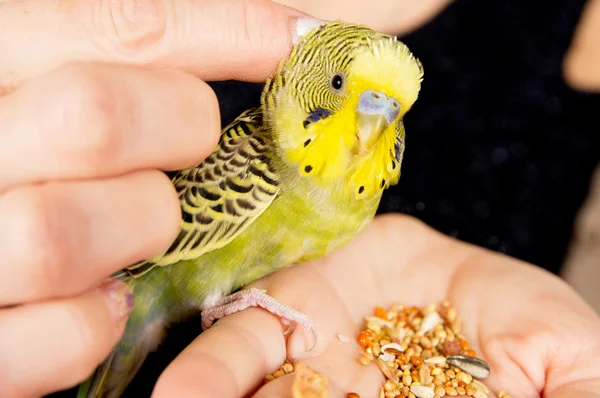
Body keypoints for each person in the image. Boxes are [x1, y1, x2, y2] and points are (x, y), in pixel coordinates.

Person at [0, 0, 598, 397]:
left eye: (390, 113)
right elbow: (152, 258)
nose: (372, 123)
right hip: (127, 298)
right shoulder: (255, 161)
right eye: (342, 88)